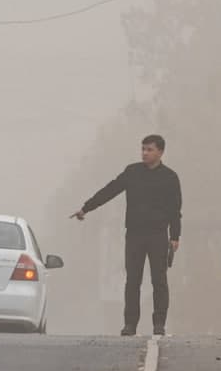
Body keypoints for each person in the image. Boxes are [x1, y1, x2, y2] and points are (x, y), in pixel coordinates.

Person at [71, 134, 182, 337]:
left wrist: (175, 236)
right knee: (133, 280)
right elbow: (111, 190)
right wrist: (86, 208)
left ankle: (159, 324)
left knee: (159, 281)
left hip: (158, 235)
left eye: (149, 150)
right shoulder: (133, 172)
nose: (145, 153)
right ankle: (130, 324)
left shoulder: (170, 177)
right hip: (134, 235)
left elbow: (175, 210)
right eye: (143, 149)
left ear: (160, 152)